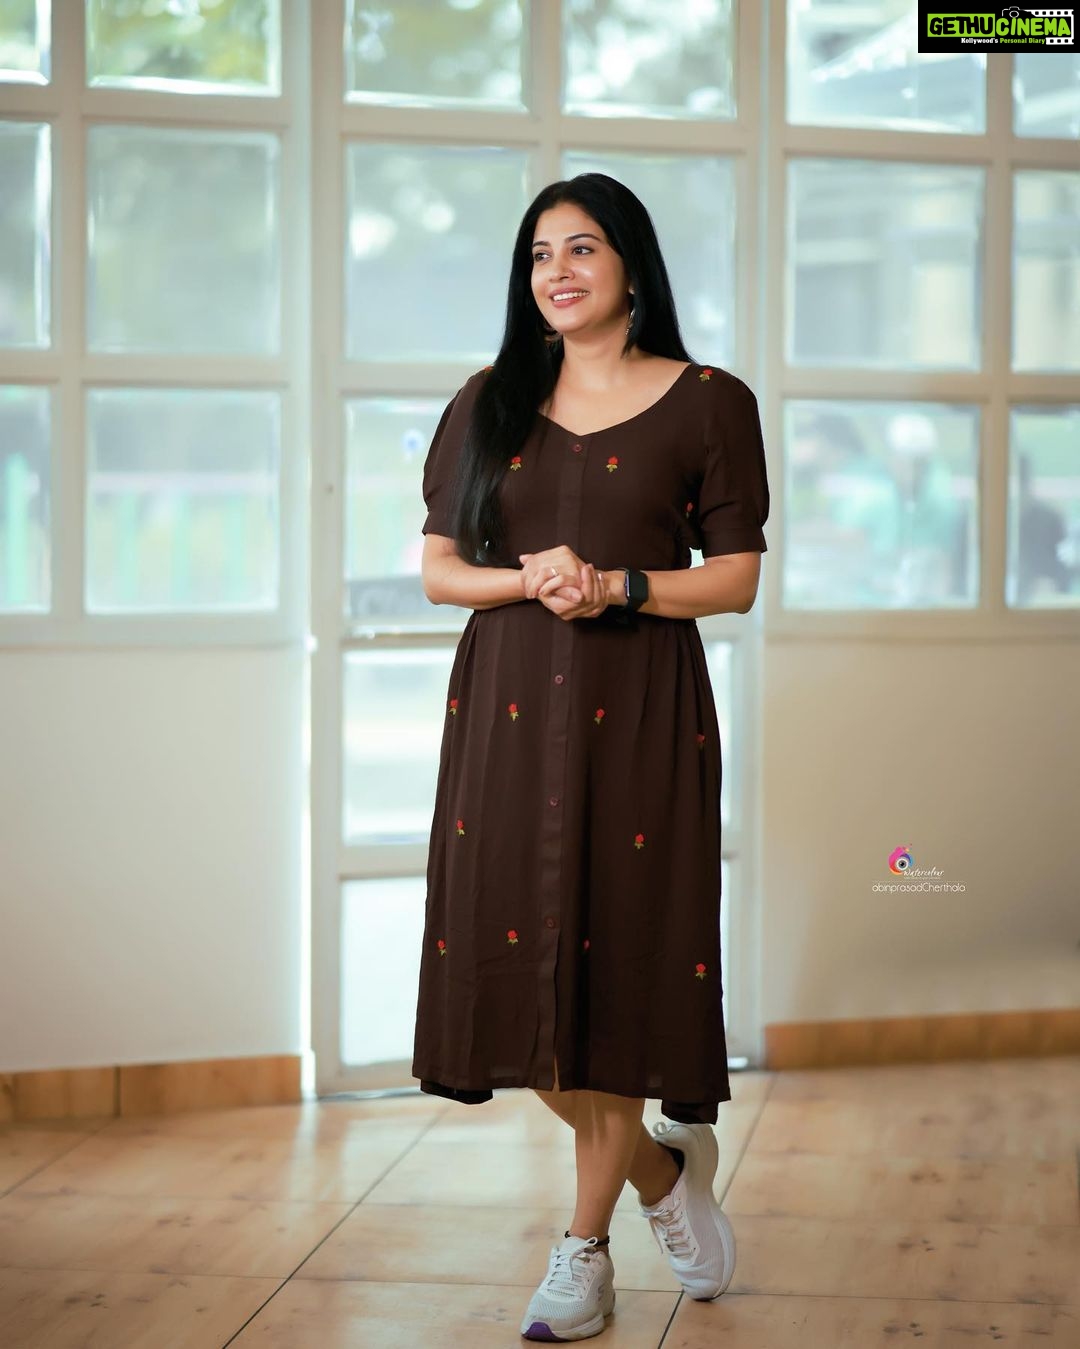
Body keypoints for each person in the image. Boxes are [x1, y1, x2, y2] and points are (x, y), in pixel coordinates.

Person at [411, 172, 769, 1341]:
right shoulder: (489, 401)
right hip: (507, 713)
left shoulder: (709, 402)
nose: (556, 272)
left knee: (614, 971)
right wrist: (532, 577)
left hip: (642, 712)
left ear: (630, 266)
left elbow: (735, 578)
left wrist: (616, 584)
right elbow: (440, 570)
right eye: (538, 254)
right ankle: (663, 1171)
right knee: (519, 980)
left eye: (581, 249)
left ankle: (584, 1250)